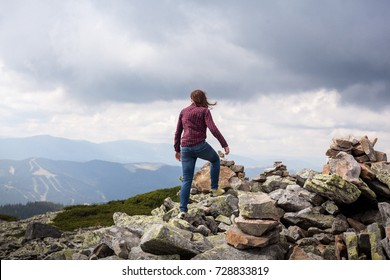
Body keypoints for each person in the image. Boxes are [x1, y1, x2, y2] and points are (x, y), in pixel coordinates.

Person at [174, 89, 230, 219]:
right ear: (203, 99)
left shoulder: (183, 111)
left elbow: (178, 132)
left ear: (191, 99)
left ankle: (182, 210)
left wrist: (177, 150)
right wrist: (224, 144)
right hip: (200, 146)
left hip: (185, 148)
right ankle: (214, 189)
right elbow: (213, 129)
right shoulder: (205, 111)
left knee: (187, 179)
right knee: (215, 160)